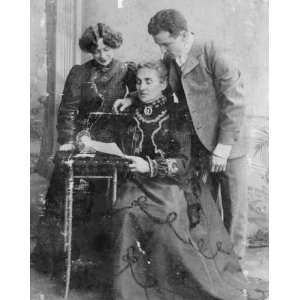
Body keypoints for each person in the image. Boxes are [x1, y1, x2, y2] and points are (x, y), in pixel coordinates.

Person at [81, 61, 266, 300]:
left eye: (149, 81)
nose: (143, 87)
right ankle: (130, 291)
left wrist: (150, 165)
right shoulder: (130, 111)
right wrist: (88, 140)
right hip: (138, 183)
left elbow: (184, 162)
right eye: (138, 82)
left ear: (163, 84)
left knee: (165, 216)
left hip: (174, 184)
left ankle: (168, 287)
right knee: (123, 212)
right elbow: (114, 142)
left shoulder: (176, 114)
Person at [114, 9, 248, 258]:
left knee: (234, 210)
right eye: (160, 45)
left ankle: (235, 272)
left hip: (229, 144)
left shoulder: (214, 52)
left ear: (184, 35)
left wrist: (223, 147)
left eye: (166, 43)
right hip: (199, 144)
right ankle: (215, 267)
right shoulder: (171, 59)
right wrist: (132, 98)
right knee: (206, 208)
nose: (163, 50)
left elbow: (235, 103)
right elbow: (158, 85)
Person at [31, 22, 136, 277]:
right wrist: (67, 140)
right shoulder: (79, 73)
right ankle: (53, 259)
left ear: (115, 46)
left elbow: (143, 93)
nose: (102, 55)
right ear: (90, 50)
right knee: (62, 186)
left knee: (115, 193)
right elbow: (67, 110)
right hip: (83, 137)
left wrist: (130, 98)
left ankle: (107, 260)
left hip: (115, 141)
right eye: (97, 50)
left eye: (107, 48)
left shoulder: (128, 71)